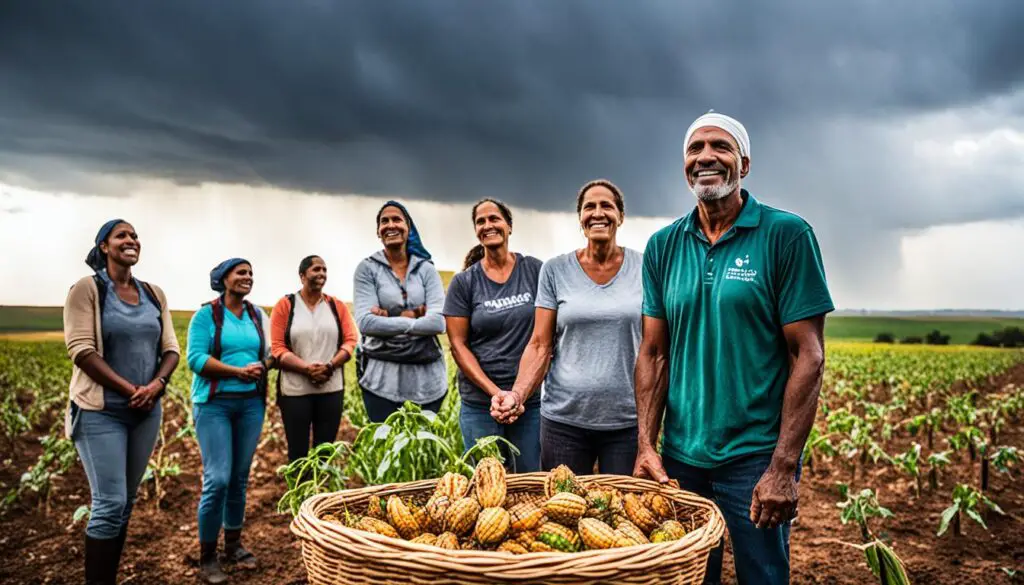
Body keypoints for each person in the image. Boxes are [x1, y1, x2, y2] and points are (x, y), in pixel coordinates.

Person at [632, 111, 834, 584]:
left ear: (744, 162)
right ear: (685, 165)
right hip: (681, 457)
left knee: (762, 575)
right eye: (695, 148)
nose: (706, 156)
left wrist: (783, 466)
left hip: (755, 458)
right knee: (686, 577)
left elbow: (809, 354)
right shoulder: (663, 246)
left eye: (720, 147)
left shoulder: (786, 235)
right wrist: (646, 445)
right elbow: (654, 354)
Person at [494, 180, 643, 476]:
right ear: (580, 218)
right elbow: (539, 345)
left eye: (607, 206)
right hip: (564, 423)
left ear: (621, 217)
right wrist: (517, 395)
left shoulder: (644, 267)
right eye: (589, 207)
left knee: (621, 515)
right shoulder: (555, 270)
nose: (598, 213)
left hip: (626, 422)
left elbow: (655, 348)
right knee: (564, 512)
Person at [62, 219, 180, 585]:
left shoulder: (153, 293)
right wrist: (132, 391)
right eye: (121, 236)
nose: (131, 240)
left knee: (125, 505)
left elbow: (171, 349)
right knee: (109, 504)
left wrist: (156, 385)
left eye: (134, 236)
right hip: (101, 412)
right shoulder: (87, 289)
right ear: (104, 247)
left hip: (145, 413)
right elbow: (81, 350)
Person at [186, 258, 273, 584]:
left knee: (238, 478)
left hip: (251, 404)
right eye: (241, 273)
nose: (248, 277)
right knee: (218, 479)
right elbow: (195, 359)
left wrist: (264, 364)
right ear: (224, 279)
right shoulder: (206, 315)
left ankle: (233, 546)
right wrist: (238, 372)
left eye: (251, 273)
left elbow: (270, 352)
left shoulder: (256, 314)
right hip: (214, 406)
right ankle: (207, 556)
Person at [443, 199, 544, 472]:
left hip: (529, 402)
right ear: (476, 230)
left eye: (494, 219)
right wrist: (496, 393)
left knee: (529, 482)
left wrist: (519, 395)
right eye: (481, 221)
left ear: (509, 226)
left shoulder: (535, 271)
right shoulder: (464, 282)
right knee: (487, 484)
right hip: (480, 404)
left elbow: (545, 338)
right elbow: (458, 345)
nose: (488, 225)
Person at [352, 200, 447, 423]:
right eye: (384, 221)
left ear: (408, 228)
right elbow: (366, 323)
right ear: (378, 231)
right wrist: (415, 317)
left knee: (423, 451)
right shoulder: (367, 269)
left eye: (397, 219)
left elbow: (438, 323)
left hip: (427, 382)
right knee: (387, 450)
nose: (390, 225)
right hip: (381, 383)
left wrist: (391, 320)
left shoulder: (426, 269)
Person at [270, 255, 358, 462]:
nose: (321, 274)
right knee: (298, 452)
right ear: (302, 276)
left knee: (325, 451)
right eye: (316, 269)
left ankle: (321, 493)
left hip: (331, 388)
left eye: (324, 270)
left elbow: (350, 340)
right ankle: (300, 492)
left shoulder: (336, 306)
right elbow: (277, 348)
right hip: (295, 391)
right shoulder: (286, 305)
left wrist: (329, 366)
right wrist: (307, 369)